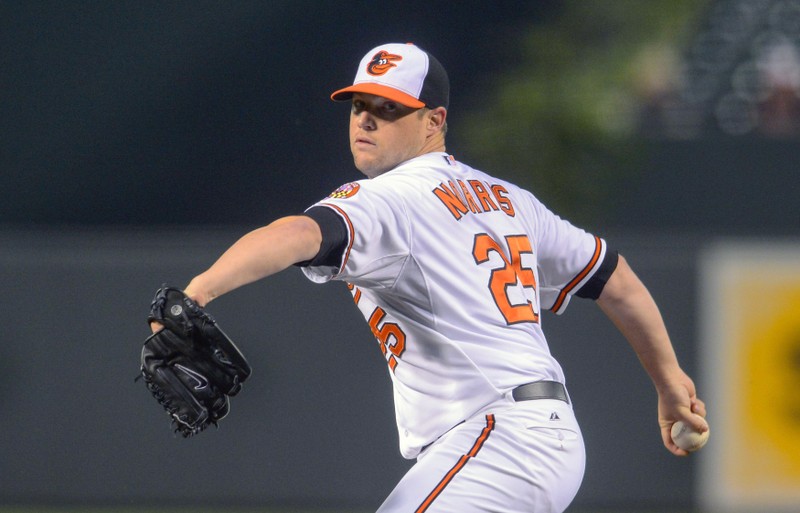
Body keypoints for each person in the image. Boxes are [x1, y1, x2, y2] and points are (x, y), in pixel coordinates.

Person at [173, 43, 708, 512]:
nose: (365, 120)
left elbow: (296, 233)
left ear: (434, 121)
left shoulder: (392, 198)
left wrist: (199, 292)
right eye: (359, 106)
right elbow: (617, 280)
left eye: (389, 109)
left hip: (501, 438)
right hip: (528, 439)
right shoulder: (509, 200)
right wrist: (668, 382)